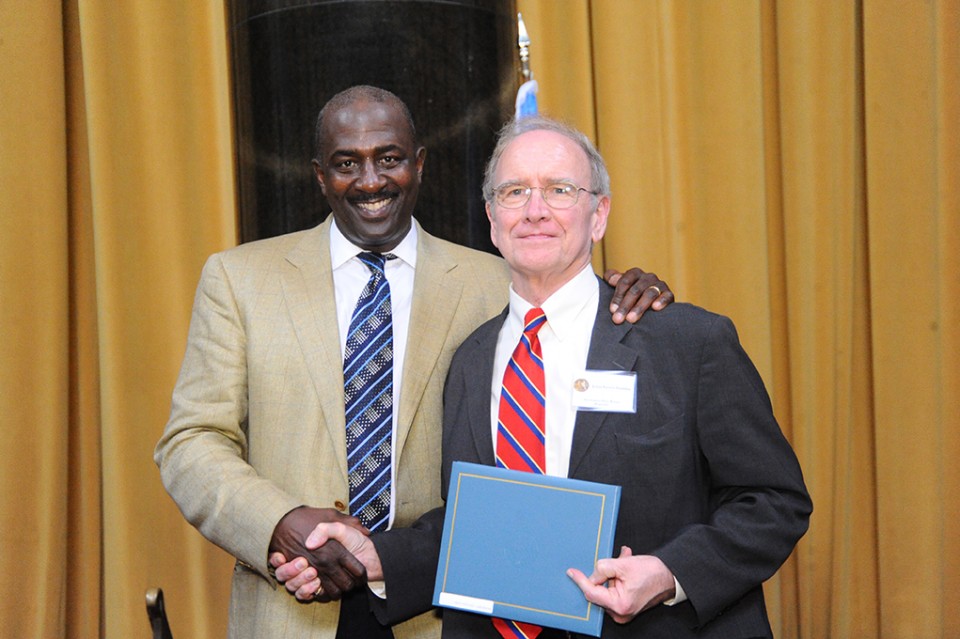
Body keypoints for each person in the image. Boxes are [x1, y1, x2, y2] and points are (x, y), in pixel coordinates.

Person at [155, 86, 673, 639]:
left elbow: (573, 317)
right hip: (290, 604)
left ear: (419, 165)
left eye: (390, 158)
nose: (371, 180)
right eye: (346, 164)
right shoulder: (239, 281)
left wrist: (626, 292)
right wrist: (278, 523)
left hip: (437, 611)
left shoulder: (497, 281)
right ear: (318, 175)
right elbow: (191, 441)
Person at [278, 115, 812, 638]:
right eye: (514, 192)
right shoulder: (469, 360)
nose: (535, 211)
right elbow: (482, 521)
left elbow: (773, 501)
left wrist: (670, 574)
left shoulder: (686, 343)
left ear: (598, 214)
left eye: (559, 190)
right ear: (491, 218)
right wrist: (383, 559)